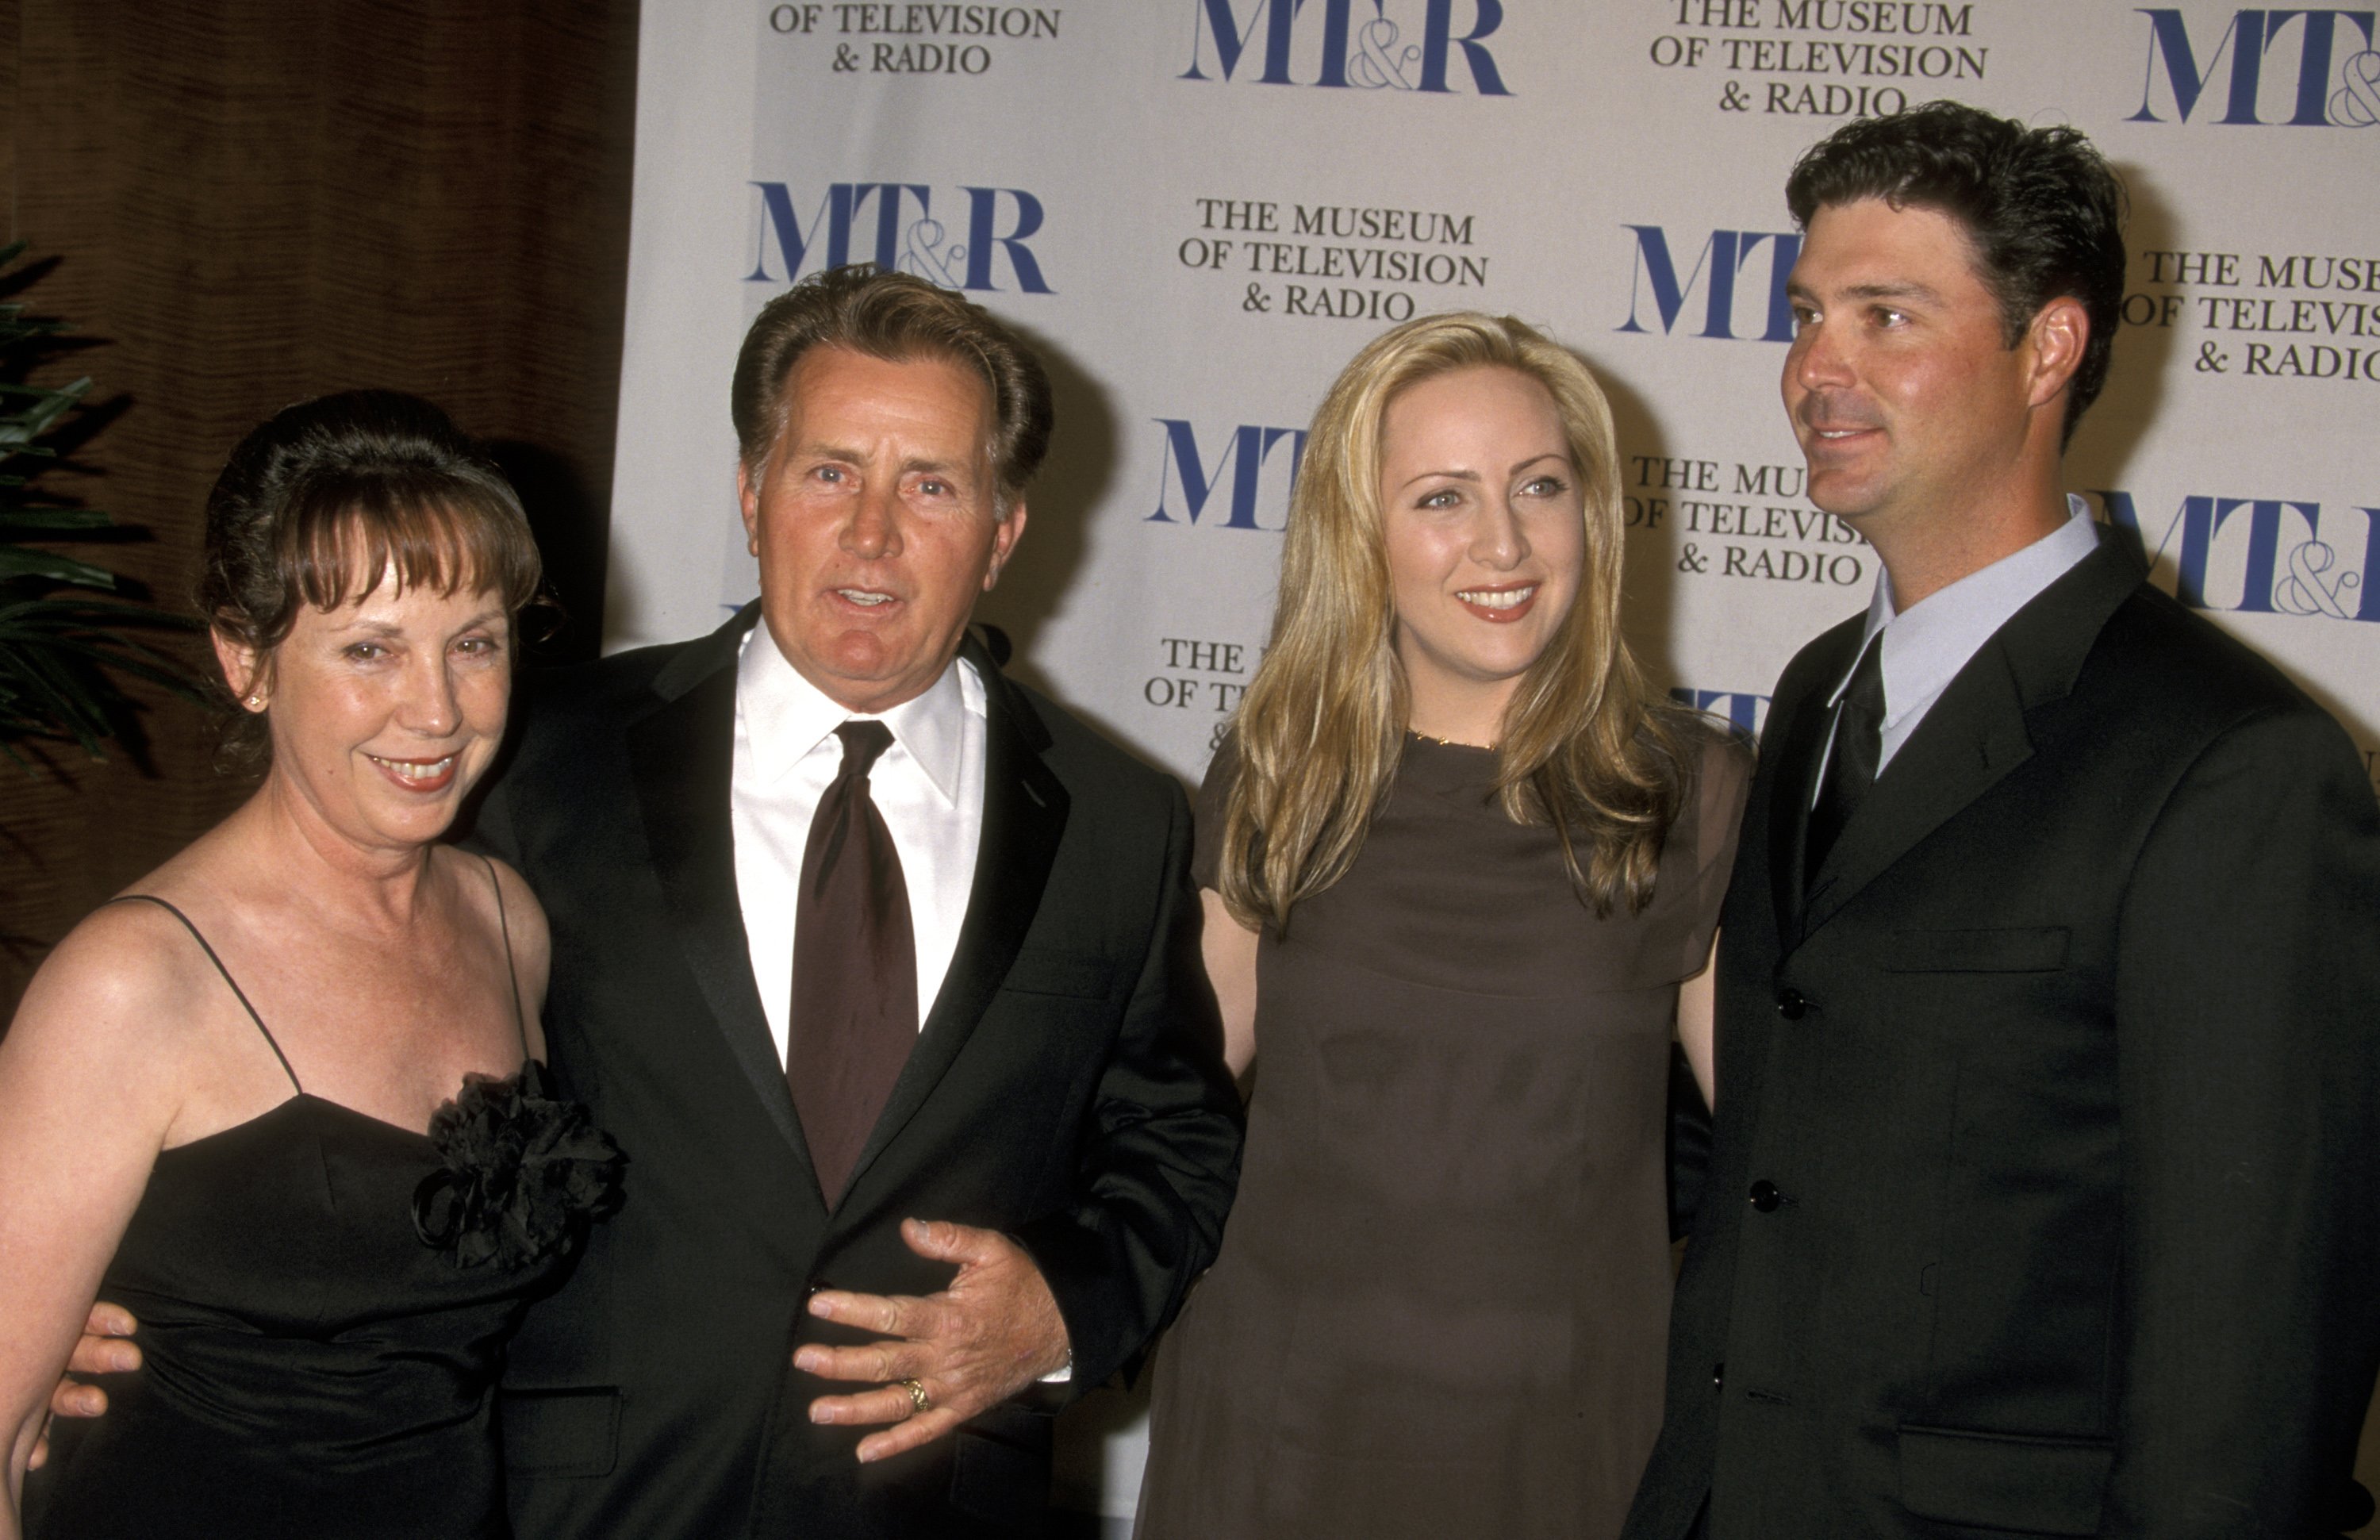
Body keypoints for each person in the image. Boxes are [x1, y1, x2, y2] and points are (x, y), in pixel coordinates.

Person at [1622, 102, 2380, 1540]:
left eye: (1885, 315)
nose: (1814, 371)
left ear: (2050, 347)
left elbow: (2249, 1376)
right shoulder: (1814, 693)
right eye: (1804, 314)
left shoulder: (2233, 765)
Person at [441, 265, 1236, 1538]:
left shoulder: (1119, 822)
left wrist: (1062, 1308)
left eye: (931, 484)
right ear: (753, 496)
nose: (874, 534)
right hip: (600, 1501)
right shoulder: (543, 761)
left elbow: (1178, 1145)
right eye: (829, 474)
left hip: (942, 1501)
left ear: (1003, 530)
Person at [1135, 312, 1751, 1538]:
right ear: (1357, 535)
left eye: (1540, 486)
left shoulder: (1689, 793)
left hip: (1570, 1446)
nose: (1504, 543)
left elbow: (1787, 1166)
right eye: (1442, 498)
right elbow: (1164, 1113)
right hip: (1277, 1434)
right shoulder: (1282, 774)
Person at [0, 390, 621, 1539]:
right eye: (370, 649)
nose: (434, 710)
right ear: (245, 660)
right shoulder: (135, 980)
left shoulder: (507, 918)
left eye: (473, 643)